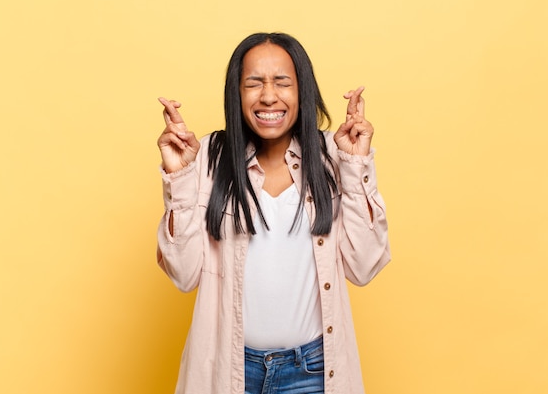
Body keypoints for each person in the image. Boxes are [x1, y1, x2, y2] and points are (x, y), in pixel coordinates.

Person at [156, 32, 390, 394]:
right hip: (229, 372)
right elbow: (184, 275)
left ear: (302, 91)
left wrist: (356, 164)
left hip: (313, 373)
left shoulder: (333, 155)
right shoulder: (207, 158)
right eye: (254, 83)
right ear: (237, 93)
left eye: (282, 82)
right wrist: (179, 178)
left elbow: (364, 266)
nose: (268, 96)